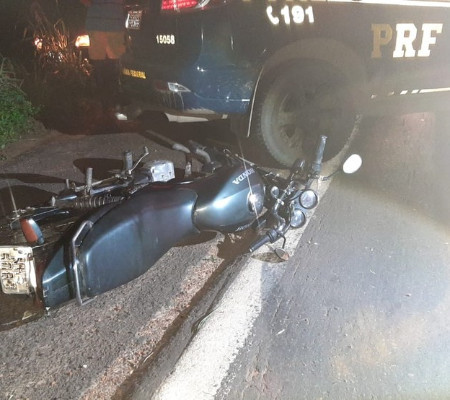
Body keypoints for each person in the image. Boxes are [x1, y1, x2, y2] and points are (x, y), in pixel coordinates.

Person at [80, 0, 125, 110]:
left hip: (96, 24)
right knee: (115, 62)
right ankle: (113, 98)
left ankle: (102, 100)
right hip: (115, 24)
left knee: (99, 64)